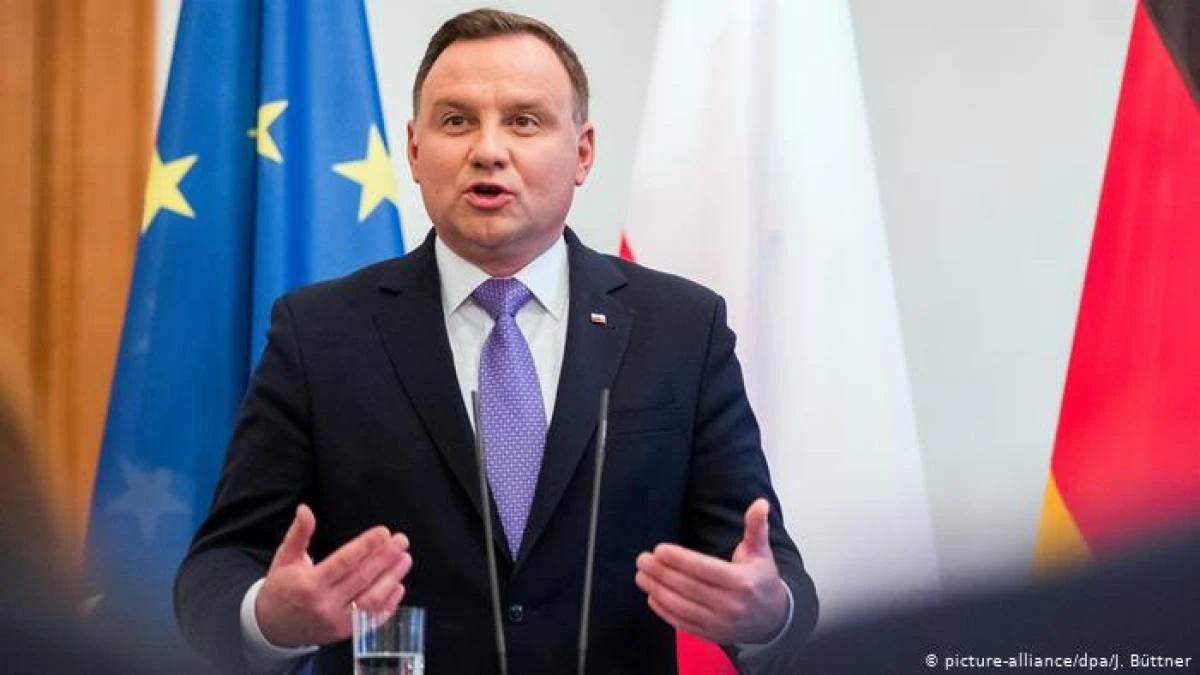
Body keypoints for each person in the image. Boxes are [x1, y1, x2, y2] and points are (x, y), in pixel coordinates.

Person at [174, 8, 817, 674]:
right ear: (414, 150)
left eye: (524, 121)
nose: (487, 150)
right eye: (456, 121)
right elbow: (218, 566)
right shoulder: (319, 333)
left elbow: (771, 573)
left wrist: (766, 616)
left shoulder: (681, 328)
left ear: (583, 152)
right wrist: (269, 619)